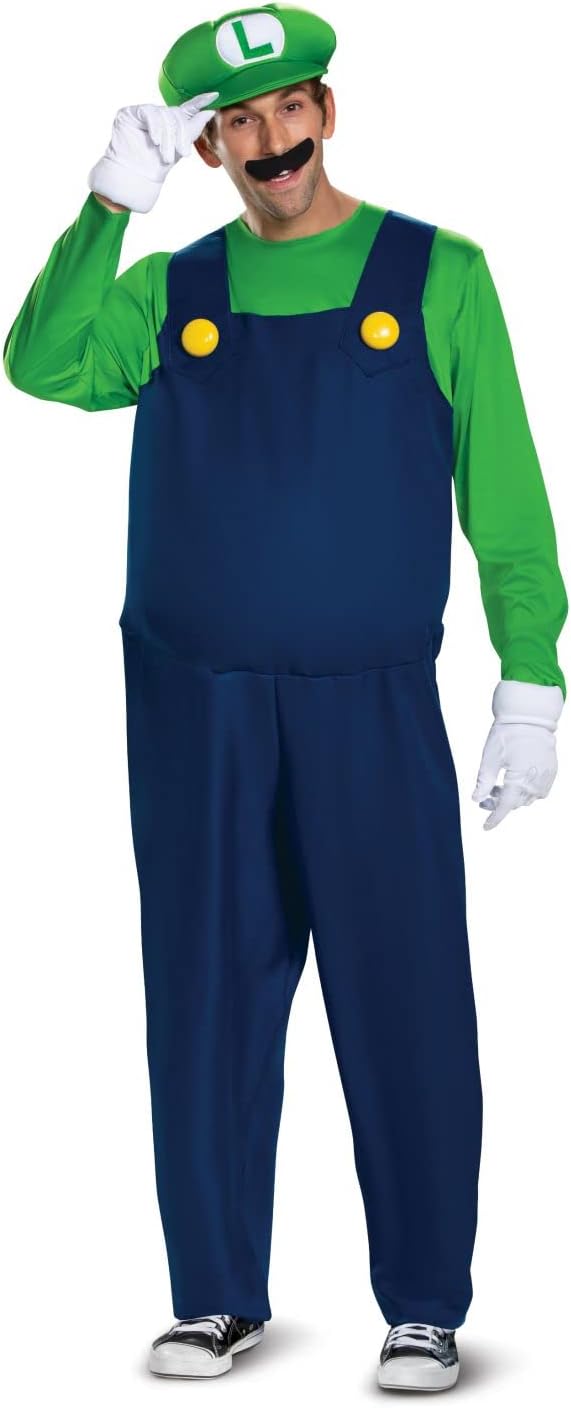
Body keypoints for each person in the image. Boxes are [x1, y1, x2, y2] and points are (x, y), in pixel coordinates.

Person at [3, 2, 567, 1392]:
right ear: (206, 149)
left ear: (328, 112)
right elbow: (41, 364)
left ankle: (424, 1302)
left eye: (289, 109)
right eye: (238, 123)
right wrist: (104, 209)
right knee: (201, 997)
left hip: (368, 705)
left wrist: (531, 678)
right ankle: (214, 1295)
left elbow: (505, 495)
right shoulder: (170, 290)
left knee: (405, 997)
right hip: (192, 705)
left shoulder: (439, 274)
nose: (271, 142)